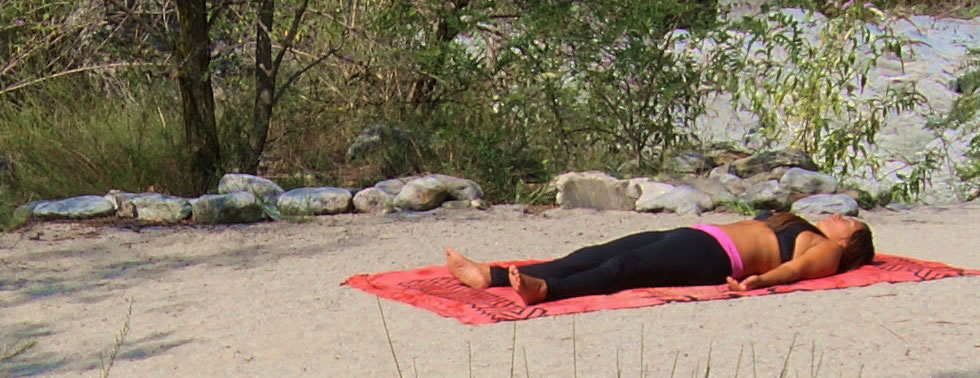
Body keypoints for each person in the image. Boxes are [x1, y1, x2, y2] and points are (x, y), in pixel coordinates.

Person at [445, 211, 874, 305]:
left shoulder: (829, 250)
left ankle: (548, 291)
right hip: (698, 235)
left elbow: (795, 270)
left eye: (848, 221)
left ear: (851, 243)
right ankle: (492, 275)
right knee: (596, 253)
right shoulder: (804, 225)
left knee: (624, 270)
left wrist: (758, 283)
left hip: (714, 257)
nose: (838, 216)